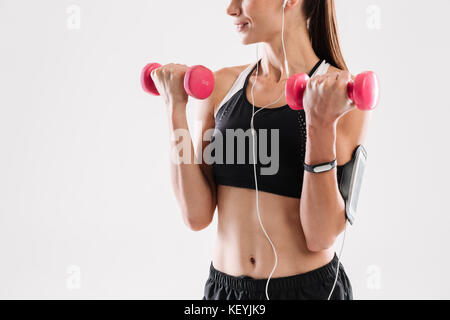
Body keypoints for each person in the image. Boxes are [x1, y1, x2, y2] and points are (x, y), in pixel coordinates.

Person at [151, 0, 370, 300]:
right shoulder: (222, 87)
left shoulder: (340, 95)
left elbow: (320, 235)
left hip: (307, 291)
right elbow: (196, 215)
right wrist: (174, 107)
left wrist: (320, 123)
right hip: (226, 293)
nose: (231, 8)